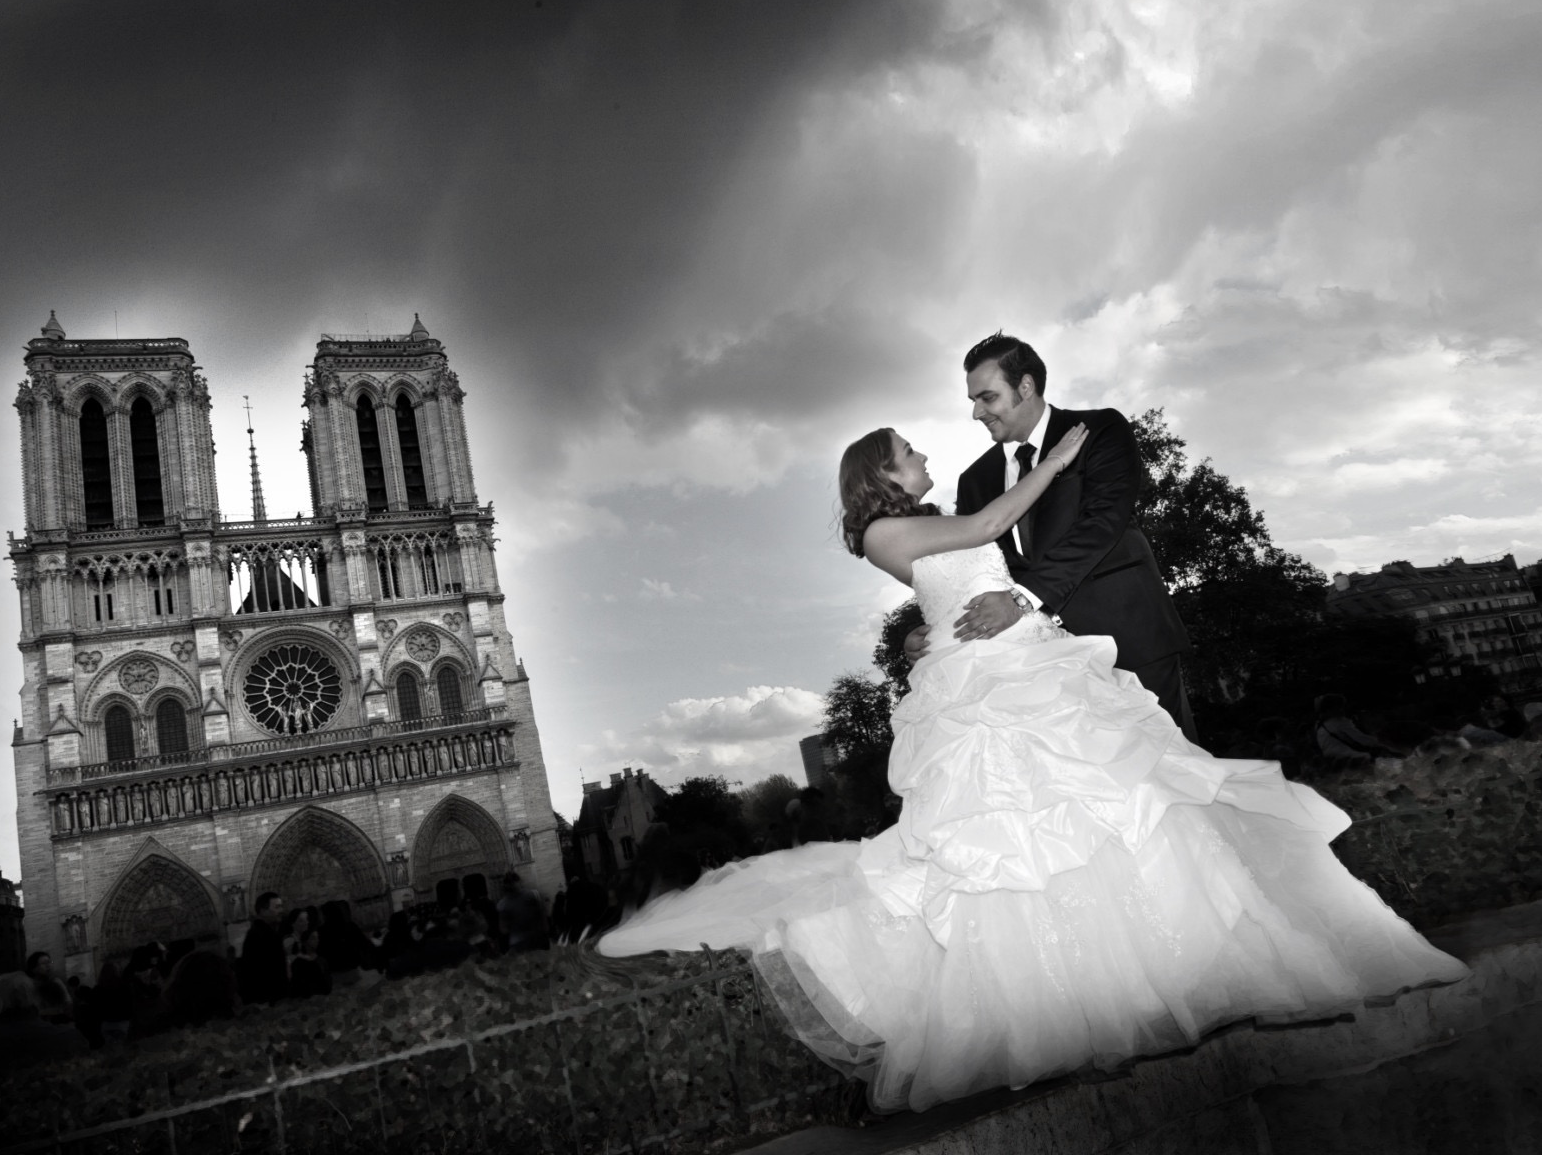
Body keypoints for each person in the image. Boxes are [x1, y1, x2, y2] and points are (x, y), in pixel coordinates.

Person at [599, 421, 1468, 1114]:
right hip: (987, 686)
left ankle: (1168, 964)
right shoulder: (883, 528)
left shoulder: (909, 521)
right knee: (1012, 832)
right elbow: (982, 530)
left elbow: (979, 562)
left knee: (1109, 802)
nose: (928, 454)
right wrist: (1050, 465)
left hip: (1019, 658)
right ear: (882, 474)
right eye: (910, 451)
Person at [906, 334, 1196, 741]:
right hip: (1043, 665)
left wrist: (1023, 598)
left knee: (1176, 768)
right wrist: (935, 635)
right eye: (973, 400)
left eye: (987, 398)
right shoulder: (974, 480)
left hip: (1129, 632)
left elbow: (1101, 523)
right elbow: (977, 568)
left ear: (1025, 387)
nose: (976, 412)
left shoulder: (1098, 429)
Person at [238, 892, 290, 1006]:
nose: (281, 910)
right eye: (277, 907)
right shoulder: (259, 935)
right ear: (263, 911)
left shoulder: (264, 932)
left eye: (281, 906)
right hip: (270, 1000)